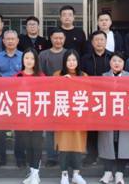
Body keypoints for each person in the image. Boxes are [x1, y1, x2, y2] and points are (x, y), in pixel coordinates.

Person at [98, 52, 129, 184]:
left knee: (123, 143)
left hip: (124, 116)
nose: (117, 63)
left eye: (119, 61)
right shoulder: (103, 77)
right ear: (110, 63)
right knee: (108, 143)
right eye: (114, 60)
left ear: (124, 63)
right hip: (108, 116)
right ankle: (107, 172)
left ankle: (120, 173)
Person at [54, 50, 88, 184]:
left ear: (78, 61)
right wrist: (62, 81)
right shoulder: (58, 75)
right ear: (64, 62)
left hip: (78, 116)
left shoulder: (83, 75)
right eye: (69, 60)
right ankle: (63, 174)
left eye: (74, 60)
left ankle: (76, 174)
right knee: (64, 146)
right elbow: (52, 92)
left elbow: (88, 93)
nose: (71, 63)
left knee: (77, 146)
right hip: (63, 115)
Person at [0, 30, 23, 168]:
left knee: (20, 129)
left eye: (13, 39)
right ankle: (0, 157)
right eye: (7, 39)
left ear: (17, 41)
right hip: (2, 97)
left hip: (19, 97)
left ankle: (20, 157)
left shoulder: (23, 56)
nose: (10, 41)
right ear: (3, 41)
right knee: (0, 129)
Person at [81, 30, 112, 166]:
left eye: (102, 40)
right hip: (90, 97)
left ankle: (106, 155)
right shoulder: (84, 59)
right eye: (96, 40)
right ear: (92, 43)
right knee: (91, 128)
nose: (99, 42)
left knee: (106, 128)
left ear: (106, 41)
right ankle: (91, 155)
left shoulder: (112, 57)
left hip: (109, 97)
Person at [15, 48, 45, 184]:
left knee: (36, 144)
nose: (29, 61)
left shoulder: (41, 76)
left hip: (37, 115)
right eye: (26, 58)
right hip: (22, 117)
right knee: (27, 145)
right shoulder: (17, 76)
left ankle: (35, 173)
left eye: (32, 58)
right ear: (23, 60)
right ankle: (32, 172)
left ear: (35, 61)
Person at [39, 28, 68, 167]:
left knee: (64, 128)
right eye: (55, 38)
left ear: (64, 39)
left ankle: (64, 155)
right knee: (50, 129)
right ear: (50, 38)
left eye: (61, 38)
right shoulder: (43, 55)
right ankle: (51, 156)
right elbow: (40, 75)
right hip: (48, 95)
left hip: (66, 96)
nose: (58, 41)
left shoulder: (69, 54)